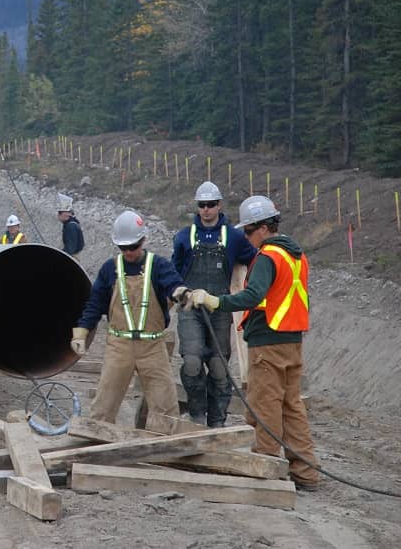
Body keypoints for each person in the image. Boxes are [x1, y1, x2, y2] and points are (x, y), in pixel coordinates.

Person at [190, 195, 320, 491]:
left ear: (262, 228)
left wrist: (215, 301)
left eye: (248, 231)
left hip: (269, 341)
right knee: (291, 406)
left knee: (265, 404)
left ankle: (265, 464)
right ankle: (306, 471)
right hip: (291, 339)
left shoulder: (268, 257)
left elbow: (254, 295)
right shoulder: (296, 255)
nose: (247, 238)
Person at [72, 210, 189, 425]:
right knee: (104, 405)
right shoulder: (110, 269)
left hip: (152, 346)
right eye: (123, 248)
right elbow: (95, 304)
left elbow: (173, 283)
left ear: (143, 240)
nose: (128, 252)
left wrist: (181, 292)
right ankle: (96, 446)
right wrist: (81, 332)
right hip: (119, 346)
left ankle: (163, 452)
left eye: (133, 247)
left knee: (164, 405)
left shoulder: (159, 266)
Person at [171, 181, 257, 427]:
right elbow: (174, 271)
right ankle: (197, 414)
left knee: (219, 368)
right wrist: (176, 292)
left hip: (220, 308)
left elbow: (255, 261)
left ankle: (217, 419)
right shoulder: (184, 236)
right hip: (190, 308)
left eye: (211, 205)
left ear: (219, 205)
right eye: (202, 205)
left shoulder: (234, 236)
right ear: (197, 207)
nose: (206, 209)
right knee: (192, 361)